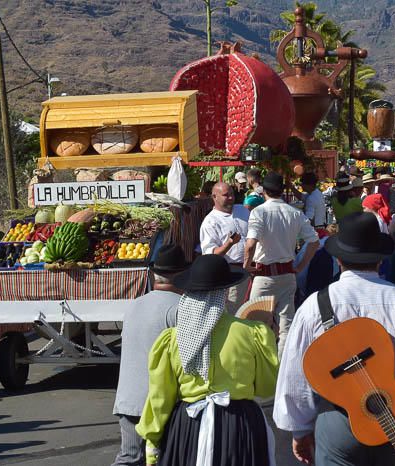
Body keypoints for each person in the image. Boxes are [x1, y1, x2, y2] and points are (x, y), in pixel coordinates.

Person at [274, 212, 395, 466]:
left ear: (338, 259)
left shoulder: (314, 306)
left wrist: (300, 429)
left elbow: (295, 372)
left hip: (337, 419)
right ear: (380, 260)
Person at [135, 254, 279, 466]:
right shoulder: (253, 333)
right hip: (239, 425)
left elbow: (160, 398)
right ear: (223, 293)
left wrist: (152, 441)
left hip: (189, 426)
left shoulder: (172, 339)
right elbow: (267, 388)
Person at [112, 244, 189, 466]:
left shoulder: (134, 305)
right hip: (160, 403)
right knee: (167, 458)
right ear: (181, 275)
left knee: (130, 458)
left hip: (129, 401)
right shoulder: (180, 308)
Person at [244, 172, 320, 354]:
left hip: (264, 275)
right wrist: (300, 267)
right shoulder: (294, 213)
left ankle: (261, 366)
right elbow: (314, 242)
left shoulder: (259, 212)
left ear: (264, 192)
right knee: (286, 326)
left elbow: (250, 244)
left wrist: (246, 266)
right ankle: (281, 366)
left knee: (255, 324)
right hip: (287, 274)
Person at [200, 182, 250, 313]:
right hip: (231, 273)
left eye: (232, 194)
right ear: (214, 197)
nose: (231, 198)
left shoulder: (243, 210)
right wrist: (229, 244)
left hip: (251, 269)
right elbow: (210, 255)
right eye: (226, 195)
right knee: (235, 312)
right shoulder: (210, 221)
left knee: (252, 311)